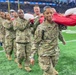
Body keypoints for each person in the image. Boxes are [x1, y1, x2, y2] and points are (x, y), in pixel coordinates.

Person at [30, 6, 65, 75]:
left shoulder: (56, 24)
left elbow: (60, 32)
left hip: (55, 52)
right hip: (44, 54)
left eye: (51, 13)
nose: (49, 14)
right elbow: (36, 42)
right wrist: (32, 56)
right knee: (52, 73)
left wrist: (63, 40)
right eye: (47, 13)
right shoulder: (41, 27)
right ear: (44, 14)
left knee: (48, 72)